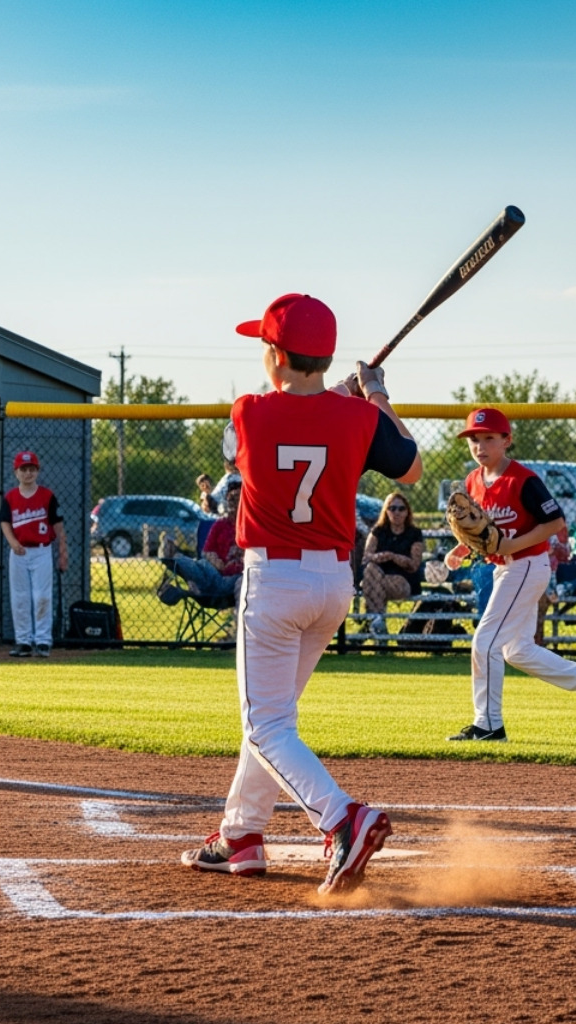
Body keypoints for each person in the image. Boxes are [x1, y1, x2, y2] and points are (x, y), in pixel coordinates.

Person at [179, 292, 420, 895]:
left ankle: (342, 817)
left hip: (274, 582)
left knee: (265, 725)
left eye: (267, 346)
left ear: (279, 356)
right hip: (333, 585)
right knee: (273, 720)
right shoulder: (361, 418)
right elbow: (410, 468)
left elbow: (248, 447)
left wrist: (332, 395)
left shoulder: (249, 411)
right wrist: (372, 393)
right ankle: (240, 835)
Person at [441, 409, 576, 742]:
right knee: (516, 650)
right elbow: (483, 531)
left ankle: (488, 725)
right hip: (507, 568)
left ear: (507, 440)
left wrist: (512, 544)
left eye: (489, 437)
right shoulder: (474, 481)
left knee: (485, 641)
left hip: (527, 565)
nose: (480, 445)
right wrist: (461, 549)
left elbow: (555, 523)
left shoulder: (523, 479)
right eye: (474, 439)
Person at [0, 450, 68, 657]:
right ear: (16, 472)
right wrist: (12, 543)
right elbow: (5, 522)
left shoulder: (47, 496)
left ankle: (43, 640)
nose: (28, 473)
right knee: (20, 597)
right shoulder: (10, 497)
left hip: (41, 551)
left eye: (32, 469)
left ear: (37, 471)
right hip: (19, 552)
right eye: (24, 469)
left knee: (42, 596)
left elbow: (58, 528)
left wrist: (63, 554)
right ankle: (23, 641)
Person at [157, 480, 243, 607]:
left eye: (236, 500)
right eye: (230, 500)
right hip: (214, 576)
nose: (232, 504)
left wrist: (238, 561)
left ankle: (176, 559)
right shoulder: (220, 525)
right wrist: (216, 561)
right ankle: (175, 559)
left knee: (199, 565)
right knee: (201, 564)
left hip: (234, 581)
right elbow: (207, 551)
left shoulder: (251, 526)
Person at [359, 492, 424, 633]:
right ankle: (378, 623)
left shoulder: (414, 533)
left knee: (370, 582)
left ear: (407, 512)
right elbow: (367, 556)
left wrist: (393, 557)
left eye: (401, 508)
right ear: (386, 511)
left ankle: (373, 622)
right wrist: (378, 557)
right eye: (392, 508)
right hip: (376, 575)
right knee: (371, 569)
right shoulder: (378, 531)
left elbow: (414, 565)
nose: (397, 512)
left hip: (403, 580)